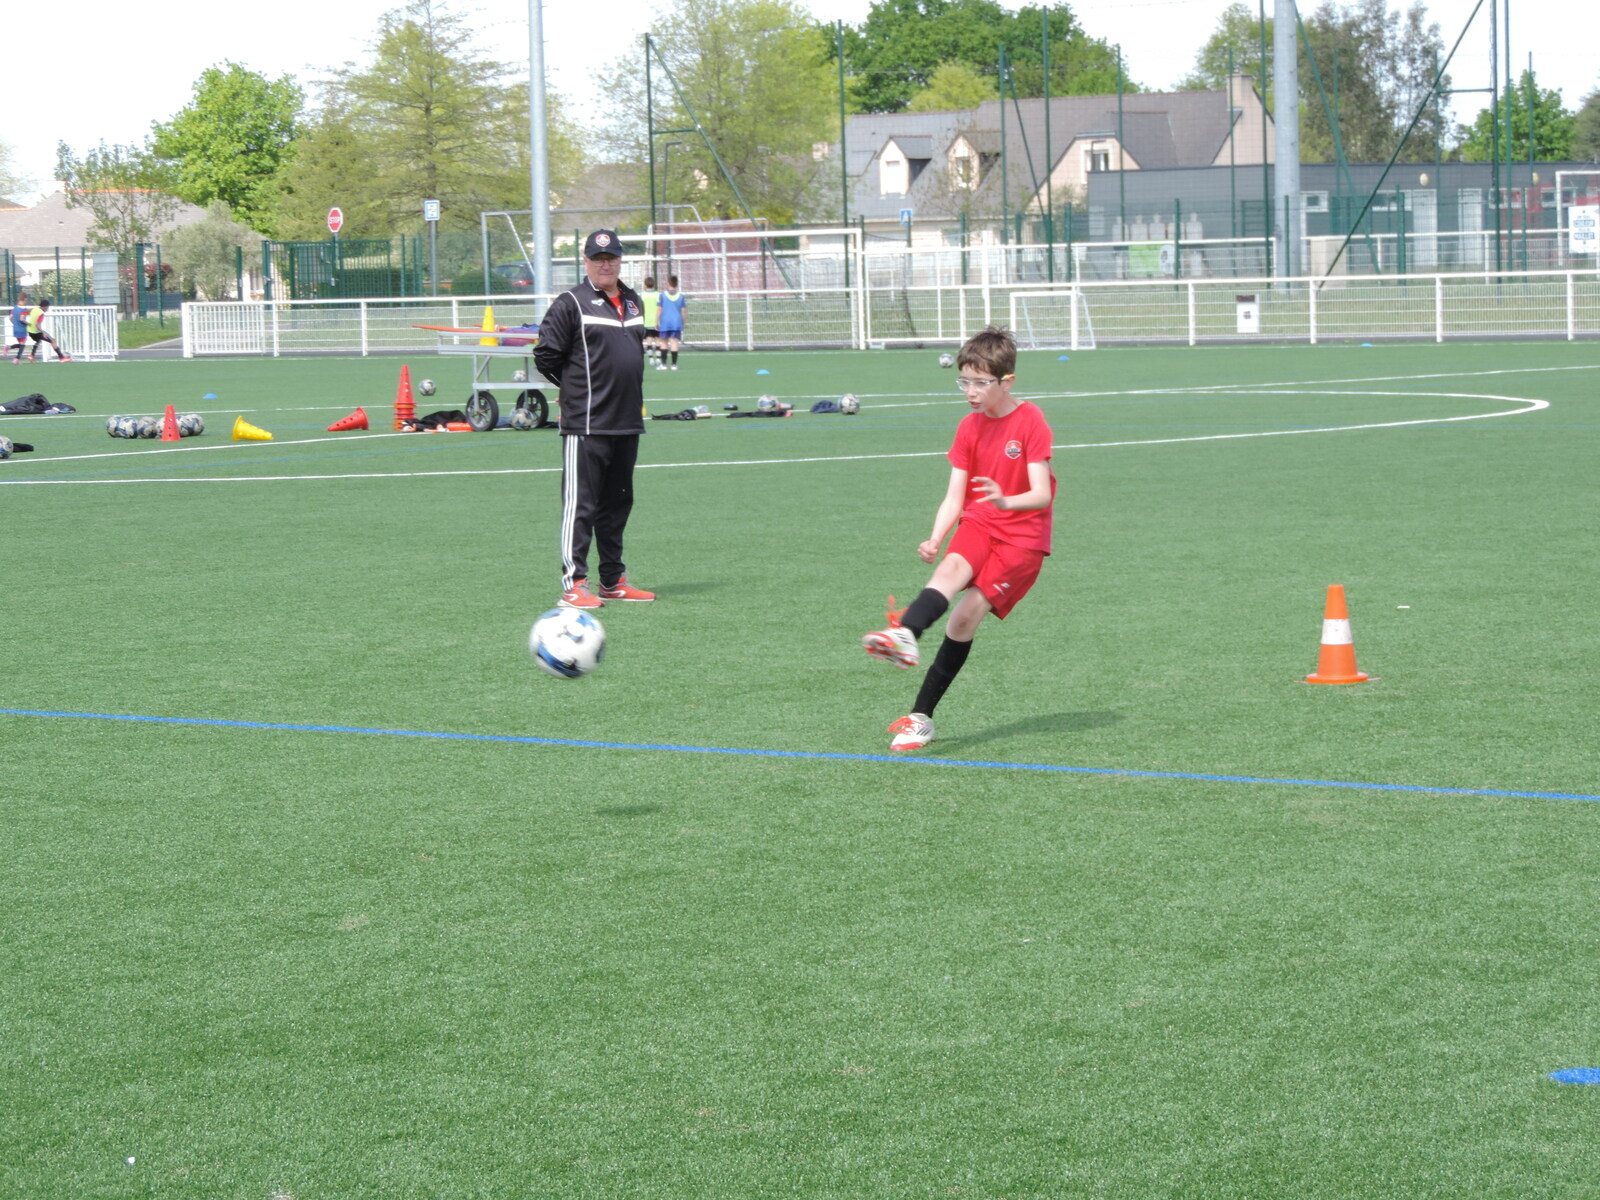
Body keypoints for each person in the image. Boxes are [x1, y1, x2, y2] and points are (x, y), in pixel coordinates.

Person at [861, 326, 1054, 752]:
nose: (970, 392)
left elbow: (1041, 492)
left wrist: (1005, 500)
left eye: (980, 383)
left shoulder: (1031, 421)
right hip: (981, 521)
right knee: (949, 567)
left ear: (1007, 382)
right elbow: (954, 495)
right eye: (964, 381)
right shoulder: (968, 426)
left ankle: (921, 714)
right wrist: (935, 537)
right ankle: (906, 636)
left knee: (963, 619)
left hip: (1022, 539)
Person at [533, 229, 656, 610]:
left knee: (618, 505)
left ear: (619, 260)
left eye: (611, 258)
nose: (606, 264)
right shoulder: (570, 303)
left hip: (627, 420)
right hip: (587, 423)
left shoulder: (633, 301)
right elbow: (546, 356)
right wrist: (573, 390)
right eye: (598, 259)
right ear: (585, 261)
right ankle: (574, 583)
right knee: (581, 505)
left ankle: (612, 581)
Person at [22, 298, 70, 362]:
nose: (48, 309)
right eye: (47, 307)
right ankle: (61, 358)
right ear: (45, 307)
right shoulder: (41, 313)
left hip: (30, 331)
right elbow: (37, 325)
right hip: (36, 332)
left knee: (38, 340)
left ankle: (31, 355)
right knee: (53, 340)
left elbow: (26, 310)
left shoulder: (34, 309)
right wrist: (43, 332)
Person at [657, 275, 686, 370]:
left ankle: (664, 365)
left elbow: (659, 309)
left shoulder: (662, 295)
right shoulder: (681, 297)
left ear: (668, 283)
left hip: (665, 322)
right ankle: (674, 365)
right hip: (676, 323)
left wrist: (656, 321)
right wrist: (683, 322)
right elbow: (683, 311)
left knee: (664, 342)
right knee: (674, 342)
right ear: (676, 284)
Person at [640, 274, 663, 369]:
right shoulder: (658, 295)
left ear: (645, 285)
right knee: (658, 340)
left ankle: (650, 359)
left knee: (648, 340)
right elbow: (661, 307)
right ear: (653, 285)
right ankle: (658, 359)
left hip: (646, 321)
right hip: (657, 321)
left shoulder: (642, 295)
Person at [8, 291, 28, 361]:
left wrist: (14, 324)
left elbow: (10, 318)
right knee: (22, 344)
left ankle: (8, 348)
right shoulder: (23, 309)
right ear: (25, 299)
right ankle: (17, 359)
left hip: (15, 329)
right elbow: (22, 319)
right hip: (22, 329)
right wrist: (28, 324)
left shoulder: (15, 307)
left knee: (21, 344)